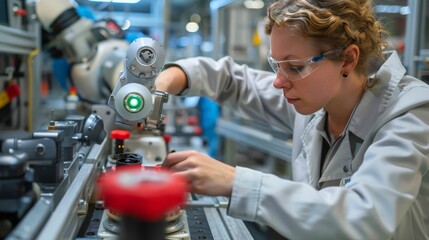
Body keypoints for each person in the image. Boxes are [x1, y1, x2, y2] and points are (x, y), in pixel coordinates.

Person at [156, 0, 429, 239]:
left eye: (295, 67)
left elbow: (364, 217)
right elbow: (234, 81)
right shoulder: (315, 102)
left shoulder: (410, 113)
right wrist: (161, 85)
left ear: (347, 59)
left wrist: (233, 181)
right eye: (277, 65)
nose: (278, 82)